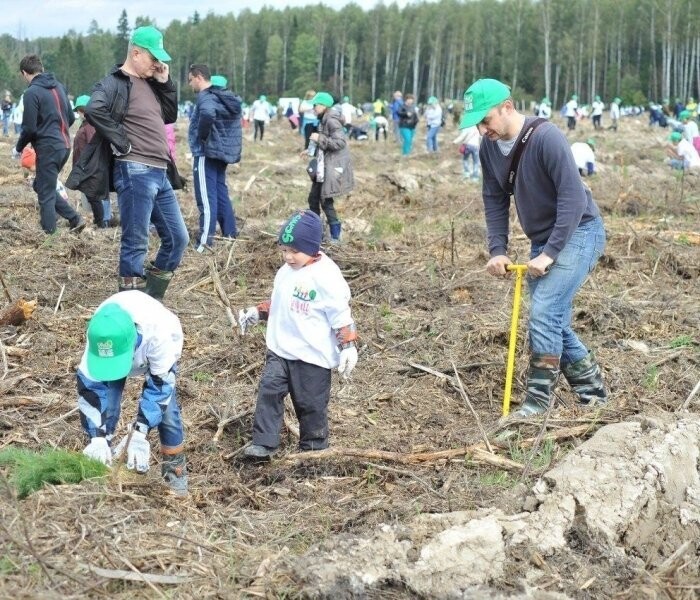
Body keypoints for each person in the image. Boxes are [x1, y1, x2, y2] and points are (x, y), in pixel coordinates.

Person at [460, 78, 607, 418]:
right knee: (551, 317)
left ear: (507, 107)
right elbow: (494, 199)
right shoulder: (488, 148)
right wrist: (497, 248)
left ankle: (537, 405)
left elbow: (572, 197)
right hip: (544, 238)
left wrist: (549, 253)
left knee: (543, 311)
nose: (483, 130)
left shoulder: (547, 138)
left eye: (487, 120)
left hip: (579, 230)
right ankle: (594, 393)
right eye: (478, 124)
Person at [69, 26, 188, 300]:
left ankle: (150, 297)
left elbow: (168, 116)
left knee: (178, 238)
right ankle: (131, 307)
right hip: (135, 170)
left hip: (159, 171)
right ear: (135, 53)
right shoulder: (114, 82)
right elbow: (95, 108)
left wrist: (166, 82)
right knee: (136, 242)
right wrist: (121, 141)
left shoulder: (151, 84)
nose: (157, 63)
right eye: (153, 58)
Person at [238, 210, 358, 459]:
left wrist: (348, 345)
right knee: (269, 391)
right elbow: (278, 302)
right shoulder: (285, 272)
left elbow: (340, 315)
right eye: (284, 250)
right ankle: (264, 443)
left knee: (311, 405)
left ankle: (313, 449)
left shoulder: (326, 277)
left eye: (294, 251)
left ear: (313, 248)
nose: (288, 257)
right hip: (280, 349)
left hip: (312, 356)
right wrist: (256, 312)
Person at [77, 290, 188, 495]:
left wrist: (140, 432)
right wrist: (97, 436)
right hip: (115, 352)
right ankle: (103, 465)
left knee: (168, 414)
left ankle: (175, 471)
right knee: (108, 404)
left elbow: (160, 389)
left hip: (154, 357)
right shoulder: (100, 334)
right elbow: (90, 390)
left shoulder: (160, 335)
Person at [13, 54, 85, 235]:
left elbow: (29, 127)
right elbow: (69, 117)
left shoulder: (31, 93)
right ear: (41, 68)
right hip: (64, 146)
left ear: (24, 73)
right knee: (42, 185)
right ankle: (74, 218)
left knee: (45, 194)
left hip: (49, 149)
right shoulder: (59, 86)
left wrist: (19, 147)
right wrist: (56, 134)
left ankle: (49, 236)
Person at [187, 64, 242, 252]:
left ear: (198, 77)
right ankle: (230, 235)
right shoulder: (226, 98)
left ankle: (205, 243)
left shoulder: (206, 96)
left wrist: (202, 137)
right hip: (221, 153)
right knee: (220, 194)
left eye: (190, 79)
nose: (190, 84)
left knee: (206, 198)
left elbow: (208, 114)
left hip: (206, 153)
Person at [305, 91, 354, 242]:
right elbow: (326, 143)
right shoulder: (323, 119)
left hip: (331, 167)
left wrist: (320, 138)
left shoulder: (331, 120)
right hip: (323, 166)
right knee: (314, 199)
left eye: (315, 105)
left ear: (323, 105)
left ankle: (335, 236)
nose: (313, 108)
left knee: (325, 201)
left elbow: (340, 143)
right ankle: (315, 231)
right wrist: (309, 149)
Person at [73, 94, 112, 228]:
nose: (78, 113)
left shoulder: (90, 126)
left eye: (79, 111)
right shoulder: (87, 124)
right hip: (91, 166)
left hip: (92, 167)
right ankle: (102, 221)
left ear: (82, 110)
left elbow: (92, 147)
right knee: (96, 195)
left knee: (95, 196)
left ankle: (102, 222)